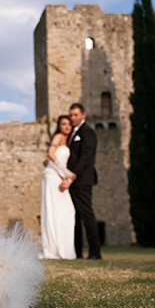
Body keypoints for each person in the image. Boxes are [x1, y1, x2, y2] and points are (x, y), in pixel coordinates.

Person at [60, 103, 102, 260]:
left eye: (76, 115)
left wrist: (71, 176)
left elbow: (85, 157)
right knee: (75, 216)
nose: (73, 118)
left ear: (83, 115)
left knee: (86, 215)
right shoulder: (73, 133)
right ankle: (76, 252)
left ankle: (95, 252)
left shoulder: (88, 132)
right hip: (74, 180)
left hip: (82, 180)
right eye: (71, 115)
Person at [40, 115, 76, 260]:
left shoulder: (67, 140)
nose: (66, 127)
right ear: (59, 126)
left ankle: (59, 247)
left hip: (57, 174)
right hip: (52, 176)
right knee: (56, 210)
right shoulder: (58, 136)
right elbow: (50, 153)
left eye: (68, 124)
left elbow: (52, 158)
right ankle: (53, 248)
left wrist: (51, 163)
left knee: (65, 211)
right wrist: (67, 173)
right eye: (63, 124)